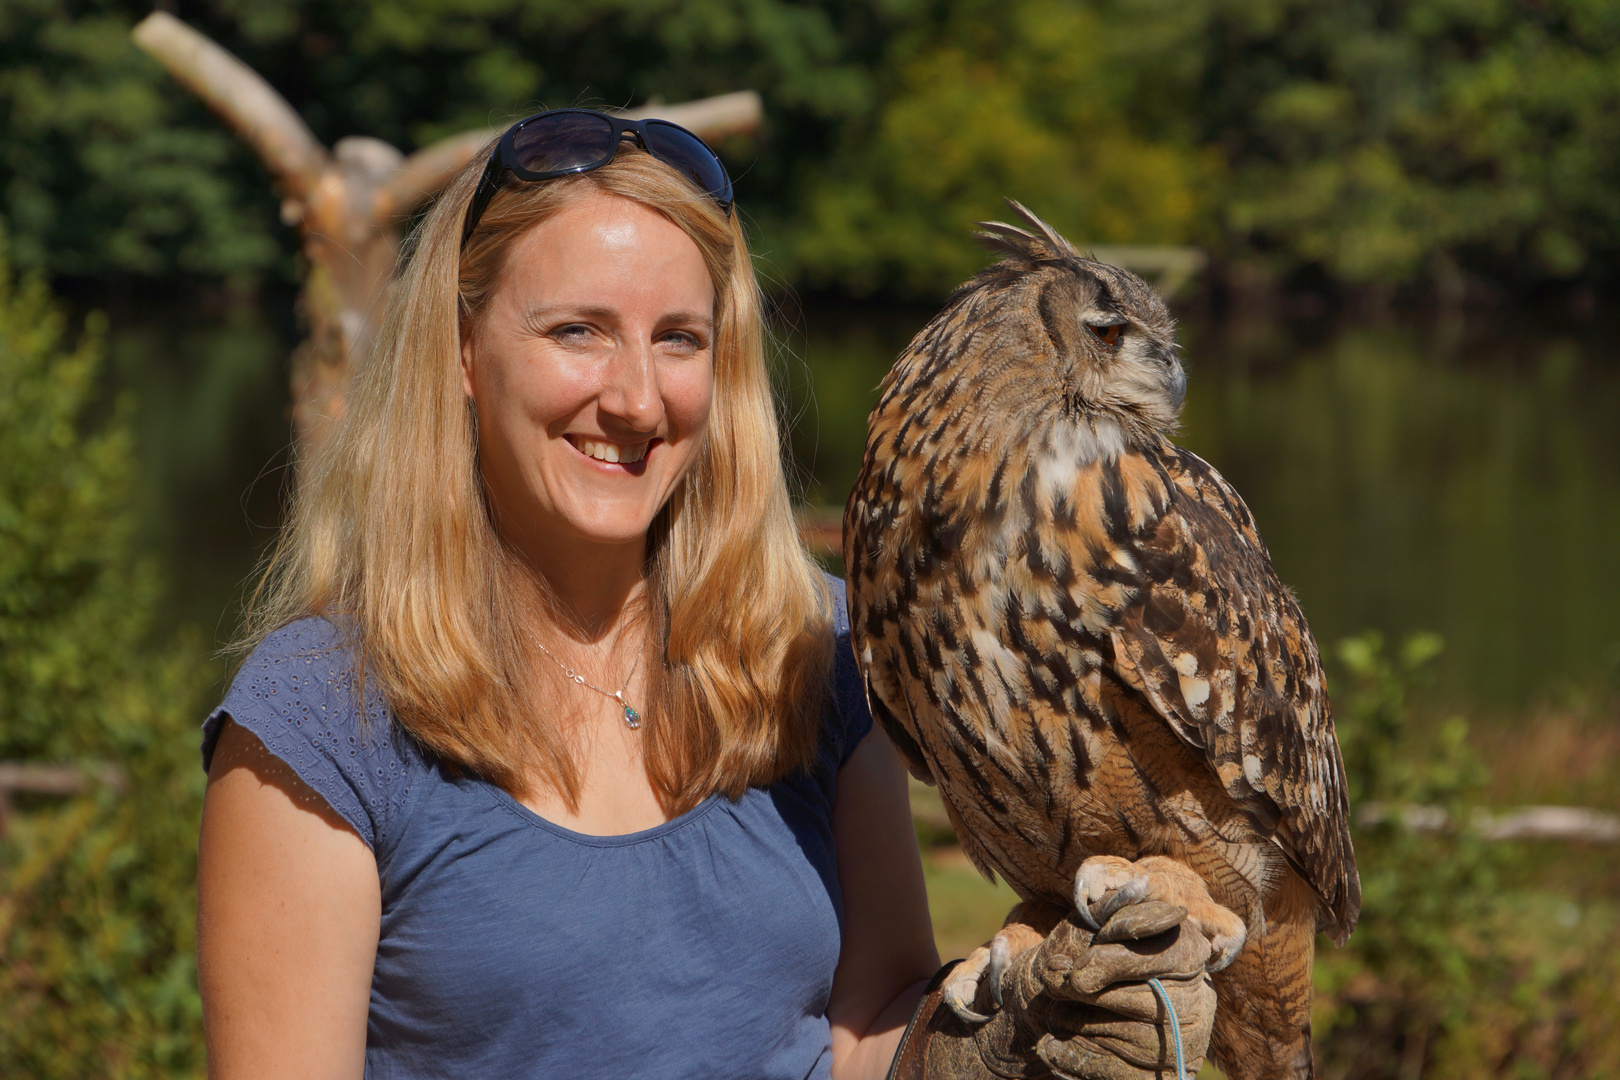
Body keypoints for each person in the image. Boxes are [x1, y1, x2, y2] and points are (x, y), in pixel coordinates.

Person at [196, 109, 1221, 1080]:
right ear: (462, 353)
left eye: (680, 338)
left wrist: (1005, 1046)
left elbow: (864, 1031)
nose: (638, 398)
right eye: (577, 331)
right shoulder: (324, 716)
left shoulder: (818, 648)